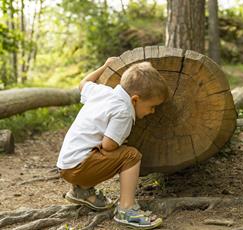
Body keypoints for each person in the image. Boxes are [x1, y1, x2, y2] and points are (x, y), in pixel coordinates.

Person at [56, 58, 169, 229]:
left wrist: (104, 66)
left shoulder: (103, 92)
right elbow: (109, 145)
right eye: (152, 106)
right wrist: (121, 141)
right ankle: (126, 209)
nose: (153, 111)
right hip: (78, 169)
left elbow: (83, 83)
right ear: (136, 100)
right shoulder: (124, 111)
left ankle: (82, 191)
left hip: (66, 164)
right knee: (131, 155)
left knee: (91, 145)